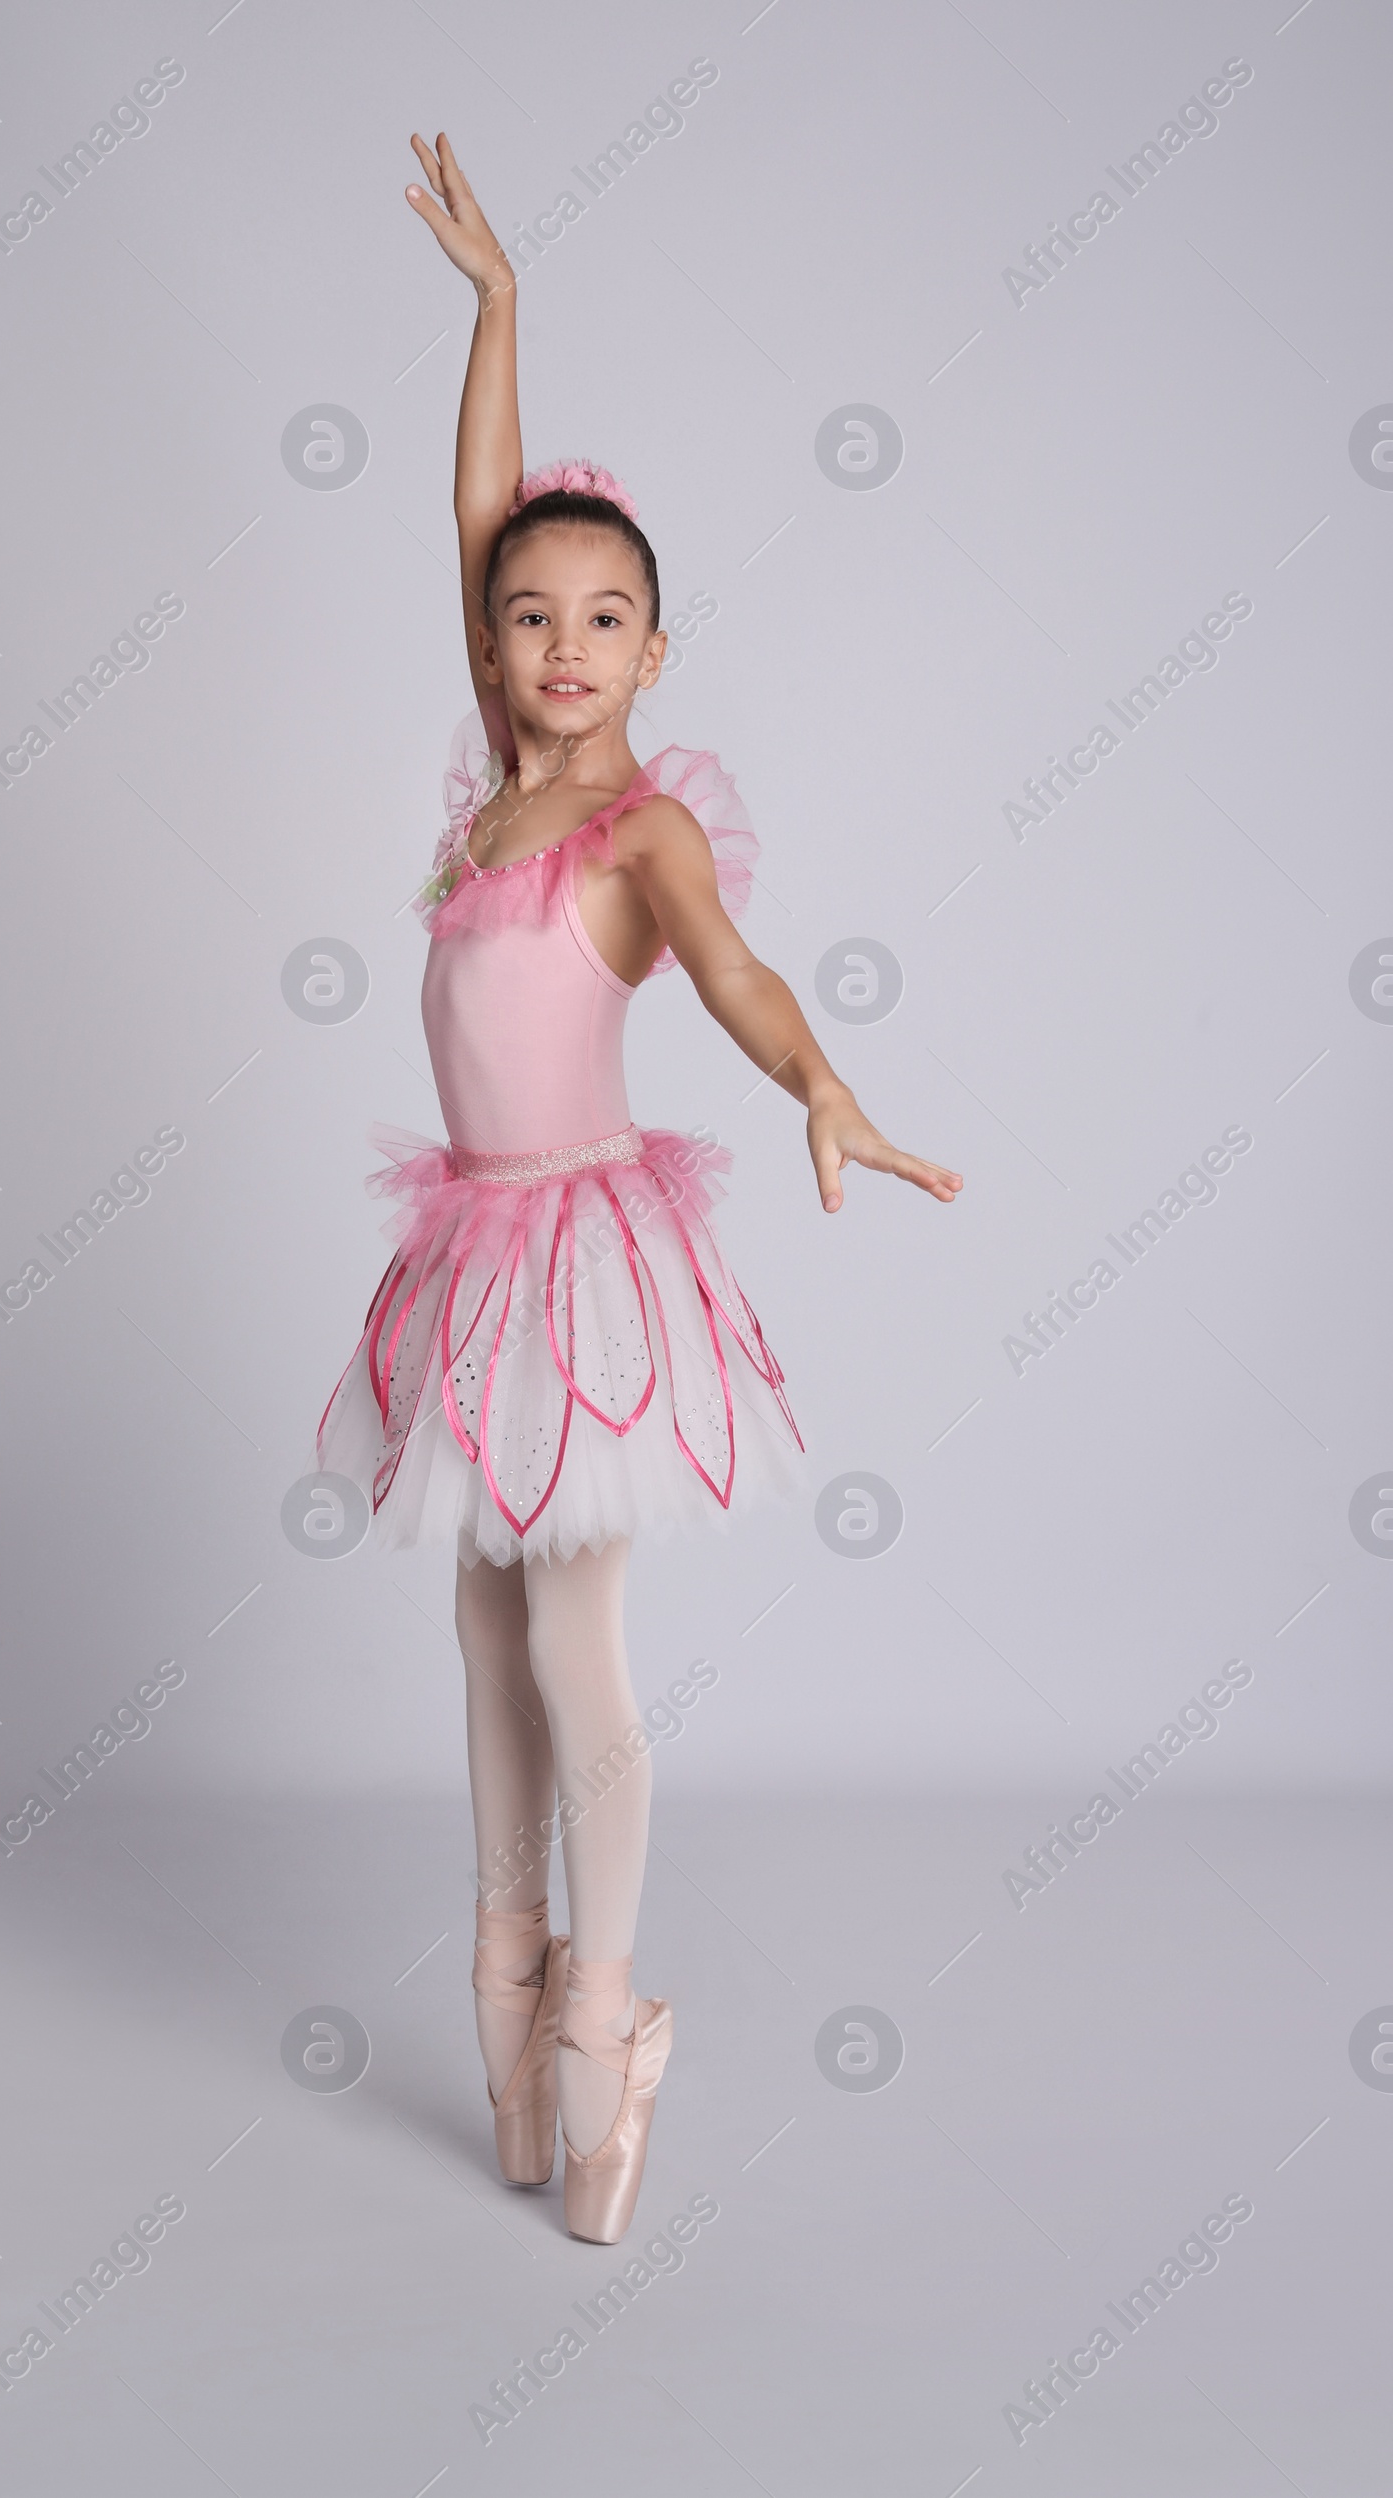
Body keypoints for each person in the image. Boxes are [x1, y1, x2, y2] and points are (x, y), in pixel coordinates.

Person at [316, 131, 962, 2243]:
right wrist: (498, 309)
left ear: (654, 651)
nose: (559, 643)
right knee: (478, 1615)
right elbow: (469, 505)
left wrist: (818, 1082)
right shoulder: (498, 788)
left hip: (583, 1258)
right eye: (528, 617)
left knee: (574, 1637)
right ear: (495, 650)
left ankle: (604, 2027)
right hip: (468, 1256)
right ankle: (503, 1993)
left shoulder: (638, 829)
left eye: (603, 618)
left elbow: (743, 975)